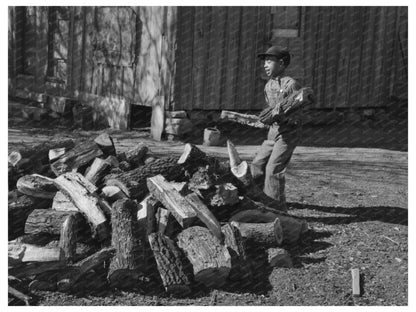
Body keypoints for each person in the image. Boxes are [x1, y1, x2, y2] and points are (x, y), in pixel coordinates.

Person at [250, 46, 308, 212]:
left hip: (288, 134)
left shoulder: (291, 84)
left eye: (269, 61)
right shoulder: (268, 85)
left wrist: (285, 118)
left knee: (273, 169)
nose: (265, 65)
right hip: (272, 133)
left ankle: (276, 209)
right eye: (264, 62)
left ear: (281, 63)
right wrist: (266, 119)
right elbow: (271, 110)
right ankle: (257, 200)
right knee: (257, 165)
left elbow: (300, 113)